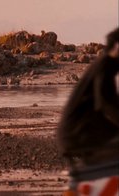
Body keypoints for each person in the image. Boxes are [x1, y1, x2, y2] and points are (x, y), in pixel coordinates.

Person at [57, 27, 119, 166]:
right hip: (78, 133)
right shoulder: (105, 65)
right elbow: (105, 103)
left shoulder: (106, 65)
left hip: (81, 130)